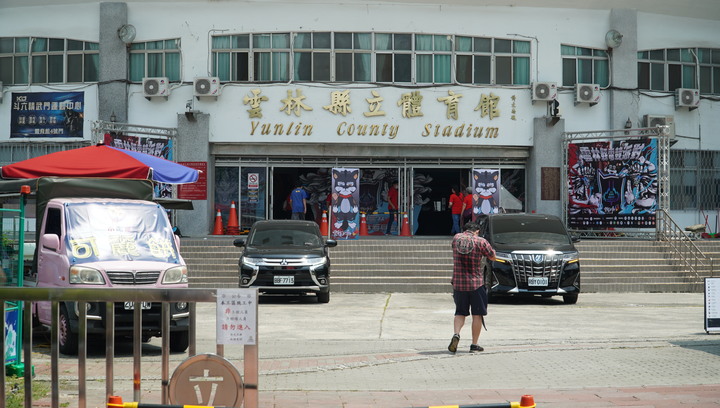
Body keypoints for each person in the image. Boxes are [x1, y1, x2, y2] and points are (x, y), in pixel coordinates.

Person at [448, 221, 496, 354]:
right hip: (476, 284)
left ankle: (456, 334)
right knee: (477, 314)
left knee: (460, 312)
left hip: (458, 283)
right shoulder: (481, 241)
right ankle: (474, 344)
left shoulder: (456, 238)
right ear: (477, 231)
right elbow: (492, 256)